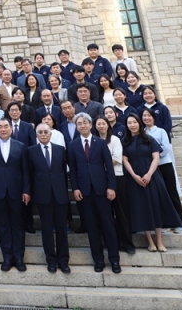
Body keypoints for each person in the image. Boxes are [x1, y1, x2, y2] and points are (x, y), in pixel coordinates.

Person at [122, 113, 182, 252]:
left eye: (134, 122)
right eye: (129, 123)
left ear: (139, 123)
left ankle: (159, 240)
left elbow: (156, 158)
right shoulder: (125, 141)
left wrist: (149, 174)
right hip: (134, 178)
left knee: (156, 207)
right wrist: (135, 176)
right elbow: (125, 160)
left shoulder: (149, 139)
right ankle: (149, 241)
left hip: (152, 176)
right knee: (143, 209)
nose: (132, 125)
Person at [69, 112, 121, 274]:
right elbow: (73, 169)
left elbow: (109, 167)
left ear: (90, 125)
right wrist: (75, 188)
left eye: (85, 123)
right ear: (76, 127)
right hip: (84, 192)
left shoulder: (100, 143)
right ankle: (98, 260)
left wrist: (111, 187)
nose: (82, 125)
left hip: (102, 190)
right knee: (91, 226)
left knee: (108, 225)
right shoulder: (73, 145)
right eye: (79, 123)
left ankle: (114, 260)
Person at [0, 118, 30, 272]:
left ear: (11, 129)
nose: (3, 129)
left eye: (6, 126)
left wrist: (26, 190)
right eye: (0, 127)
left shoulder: (20, 146)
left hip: (16, 192)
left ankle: (18, 257)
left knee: (17, 225)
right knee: (2, 226)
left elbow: (25, 171)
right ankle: (7, 257)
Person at [28, 123, 71, 273]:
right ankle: (51, 260)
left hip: (59, 194)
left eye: (46, 132)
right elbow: (29, 175)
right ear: (37, 135)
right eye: (40, 132)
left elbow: (65, 172)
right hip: (42, 195)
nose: (43, 134)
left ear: (51, 134)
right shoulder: (31, 151)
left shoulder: (60, 150)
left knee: (61, 229)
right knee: (46, 229)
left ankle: (63, 260)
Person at [141, 108, 182, 233]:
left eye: (149, 116)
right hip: (150, 167)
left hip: (164, 164)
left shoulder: (160, 131)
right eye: (144, 116)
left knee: (171, 193)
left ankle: (180, 222)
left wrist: (155, 157)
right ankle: (164, 223)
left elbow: (165, 147)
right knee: (160, 194)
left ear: (153, 118)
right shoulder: (142, 132)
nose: (146, 118)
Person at [96, 116, 134, 254]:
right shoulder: (94, 141)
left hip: (117, 177)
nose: (101, 126)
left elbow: (116, 159)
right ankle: (112, 243)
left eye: (103, 123)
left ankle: (127, 243)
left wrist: (99, 163)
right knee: (106, 214)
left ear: (108, 125)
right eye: (98, 124)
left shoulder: (115, 139)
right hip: (101, 179)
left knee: (121, 212)